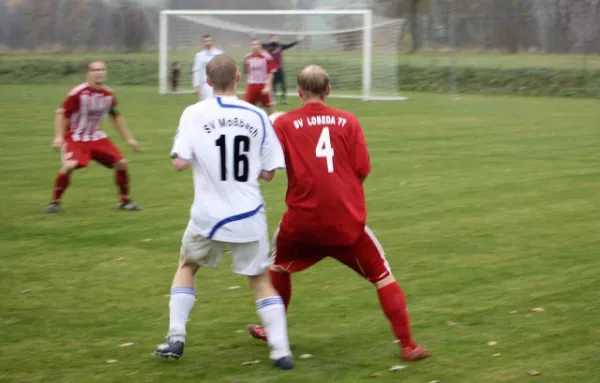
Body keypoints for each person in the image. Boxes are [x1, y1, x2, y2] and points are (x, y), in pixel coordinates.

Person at [247, 65, 430, 362]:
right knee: (382, 276)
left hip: (302, 221)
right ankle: (408, 345)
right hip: (346, 222)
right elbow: (362, 170)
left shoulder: (284, 123)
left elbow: (269, 167)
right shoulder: (349, 121)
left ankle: (273, 332)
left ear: (299, 91)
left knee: (279, 267)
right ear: (329, 90)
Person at [154, 54, 294, 371]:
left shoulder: (193, 113)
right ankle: (280, 352)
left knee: (187, 265)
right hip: (249, 213)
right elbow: (271, 173)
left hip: (207, 215)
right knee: (260, 280)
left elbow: (179, 161)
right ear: (239, 78)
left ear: (207, 81)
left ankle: (176, 337)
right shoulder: (257, 115)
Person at [47, 61, 141, 213]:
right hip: (76, 137)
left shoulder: (108, 94)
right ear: (88, 73)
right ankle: (54, 202)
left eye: (102, 69)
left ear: (106, 72)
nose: (99, 72)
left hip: (97, 137)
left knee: (121, 164)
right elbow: (62, 114)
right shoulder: (78, 93)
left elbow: (116, 115)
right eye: (95, 70)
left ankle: (125, 202)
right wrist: (58, 137)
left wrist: (129, 139)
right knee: (69, 166)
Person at [262, 34, 302, 104]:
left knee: (283, 83)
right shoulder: (267, 46)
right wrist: (253, 37)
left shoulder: (280, 46)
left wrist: (297, 41)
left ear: (278, 39)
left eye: (276, 38)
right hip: (271, 69)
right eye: (273, 38)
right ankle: (273, 98)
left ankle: (284, 99)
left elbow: (289, 45)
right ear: (270, 39)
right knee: (272, 84)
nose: (274, 39)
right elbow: (257, 44)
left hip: (279, 68)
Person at [243, 39, 276, 114]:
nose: (255, 46)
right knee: (247, 106)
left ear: (260, 46)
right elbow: (246, 72)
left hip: (263, 85)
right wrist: (245, 63)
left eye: (257, 44)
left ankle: (273, 122)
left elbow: (270, 73)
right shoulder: (248, 57)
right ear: (251, 46)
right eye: (253, 44)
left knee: (269, 107)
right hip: (251, 85)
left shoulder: (267, 57)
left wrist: (268, 86)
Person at [192, 34, 224, 101]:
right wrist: (196, 85)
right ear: (203, 43)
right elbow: (197, 71)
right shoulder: (199, 55)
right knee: (204, 105)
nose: (208, 43)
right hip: (204, 85)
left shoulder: (219, 53)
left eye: (209, 41)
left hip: (216, 84)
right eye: (205, 41)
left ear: (212, 42)